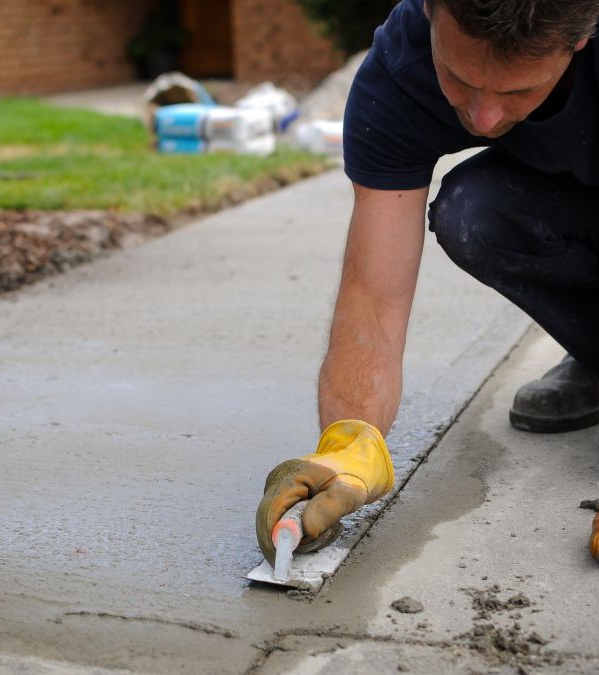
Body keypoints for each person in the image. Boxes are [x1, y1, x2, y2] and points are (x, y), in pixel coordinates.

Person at [256, 0, 599, 564]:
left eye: (519, 92)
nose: (485, 118)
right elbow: (373, 295)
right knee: (475, 215)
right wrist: (350, 443)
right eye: (460, 80)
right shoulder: (401, 69)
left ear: (582, 37)